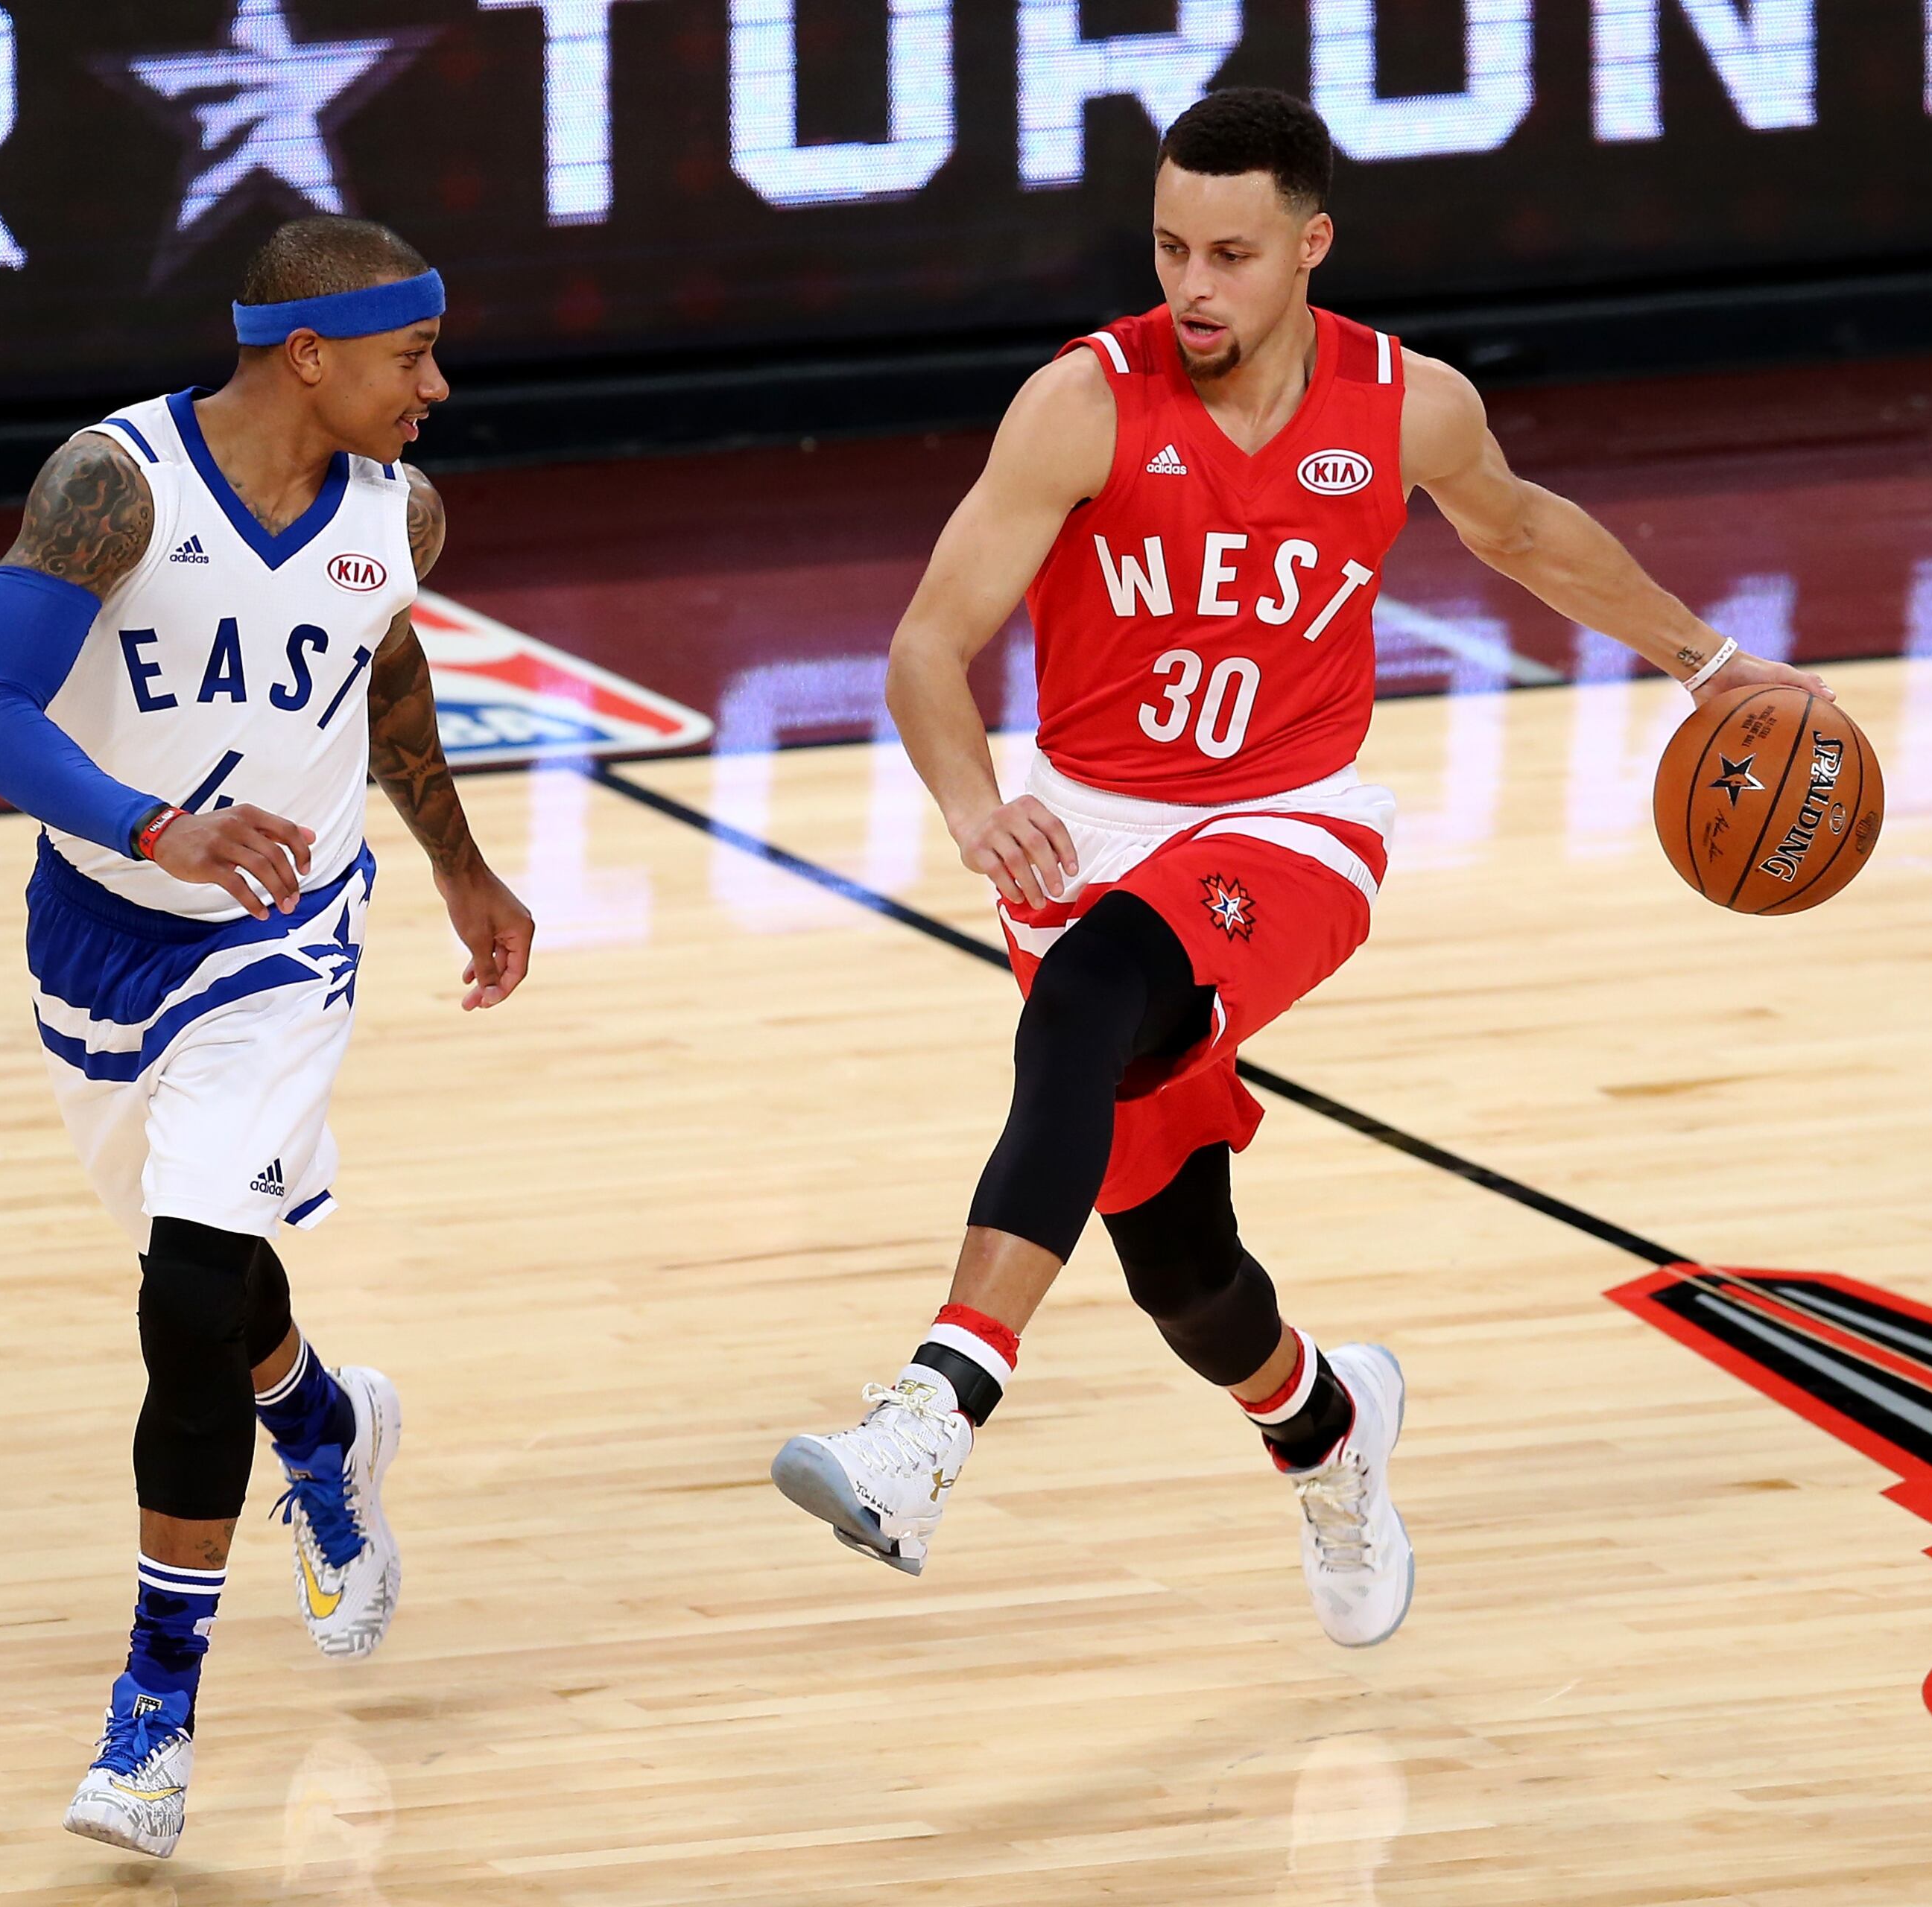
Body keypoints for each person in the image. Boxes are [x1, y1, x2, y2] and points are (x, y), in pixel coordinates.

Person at [770, 89, 1829, 1644]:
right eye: (1170, 249)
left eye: (1232, 255)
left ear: (1311, 247)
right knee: (1185, 1274)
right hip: (1085, 830)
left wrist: (1713, 664)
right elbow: (929, 644)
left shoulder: (1407, 406)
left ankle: (930, 1419)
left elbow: (1525, 532)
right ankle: (1331, 1431)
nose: (1193, 285)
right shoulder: (1080, 402)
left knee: (1086, 1002)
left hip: (1294, 823)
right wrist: (973, 803)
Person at [0, 215, 535, 1856]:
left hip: (282, 939)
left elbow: (385, 673)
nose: (437, 386)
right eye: (413, 356)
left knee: (188, 1296)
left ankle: (153, 1717)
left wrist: (459, 864)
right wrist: (155, 827)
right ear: (309, 356)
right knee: (194, 1274)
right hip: (102, 923)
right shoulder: (113, 485)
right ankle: (324, 1426)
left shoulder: (399, 512)